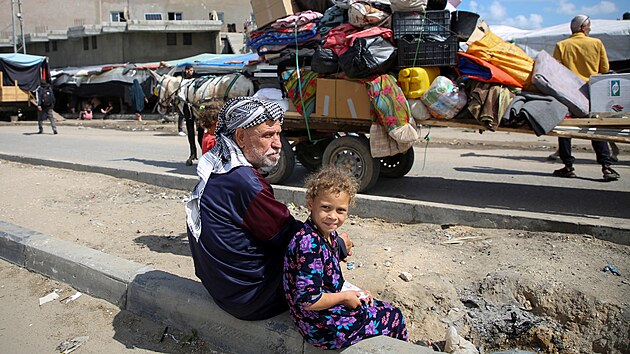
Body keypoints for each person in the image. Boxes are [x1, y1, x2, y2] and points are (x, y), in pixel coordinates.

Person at [185, 97, 352, 321]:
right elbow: (291, 237)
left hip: (225, 291)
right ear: (241, 137)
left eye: (277, 134)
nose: (277, 143)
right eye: (267, 135)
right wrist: (337, 246)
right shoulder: (245, 183)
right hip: (251, 299)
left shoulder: (220, 166)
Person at [283, 166, 408, 349]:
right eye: (326, 208)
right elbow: (308, 300)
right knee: (394, 317)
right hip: (318, 326)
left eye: (340, 210)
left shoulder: (327, 235)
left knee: (384, 309)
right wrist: (344, 298)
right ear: (310, 203)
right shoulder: (309, 244)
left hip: (326, 312)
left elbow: (329, 280)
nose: (333, 216)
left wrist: (356, 293)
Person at [552, 15, 619, 181]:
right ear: (583, 28)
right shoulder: (596, 43)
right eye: (588, 27)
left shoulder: (561, 46)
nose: (589, 29)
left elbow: (555, 70)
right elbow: (604, 69)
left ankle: (568, 166)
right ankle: (606, 166)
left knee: (565, 129)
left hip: (568, 93)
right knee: (596, 129)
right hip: (591, 93)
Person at [178, 65, 195, 137]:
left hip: (191, 102)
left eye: (192, 70)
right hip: (184, 102)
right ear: (187, 71)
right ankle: (180, 129)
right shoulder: (183, 81)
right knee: (181, 115)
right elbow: (181, 92)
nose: (192, 72)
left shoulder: (193, 80)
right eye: (191, 70)